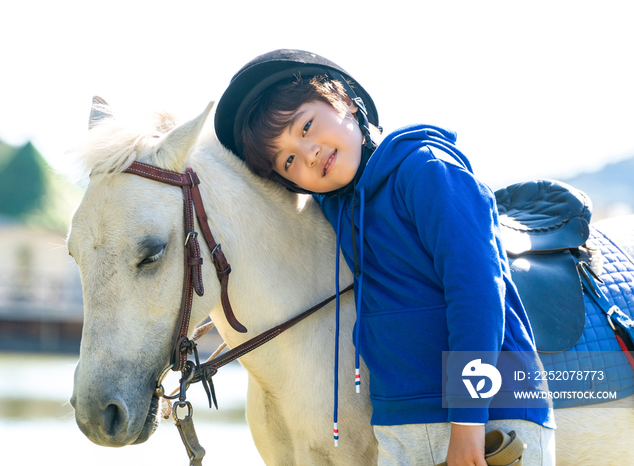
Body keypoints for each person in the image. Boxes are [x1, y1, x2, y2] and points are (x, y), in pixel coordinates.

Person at [215, 49, 555, 466]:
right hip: (399, 423)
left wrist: (468, 427)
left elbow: (478, 296)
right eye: (287, 160)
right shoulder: (338, 209)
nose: (308, 154)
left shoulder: (426, 170)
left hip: (490, 422)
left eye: (305, 125)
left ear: (344, 100)